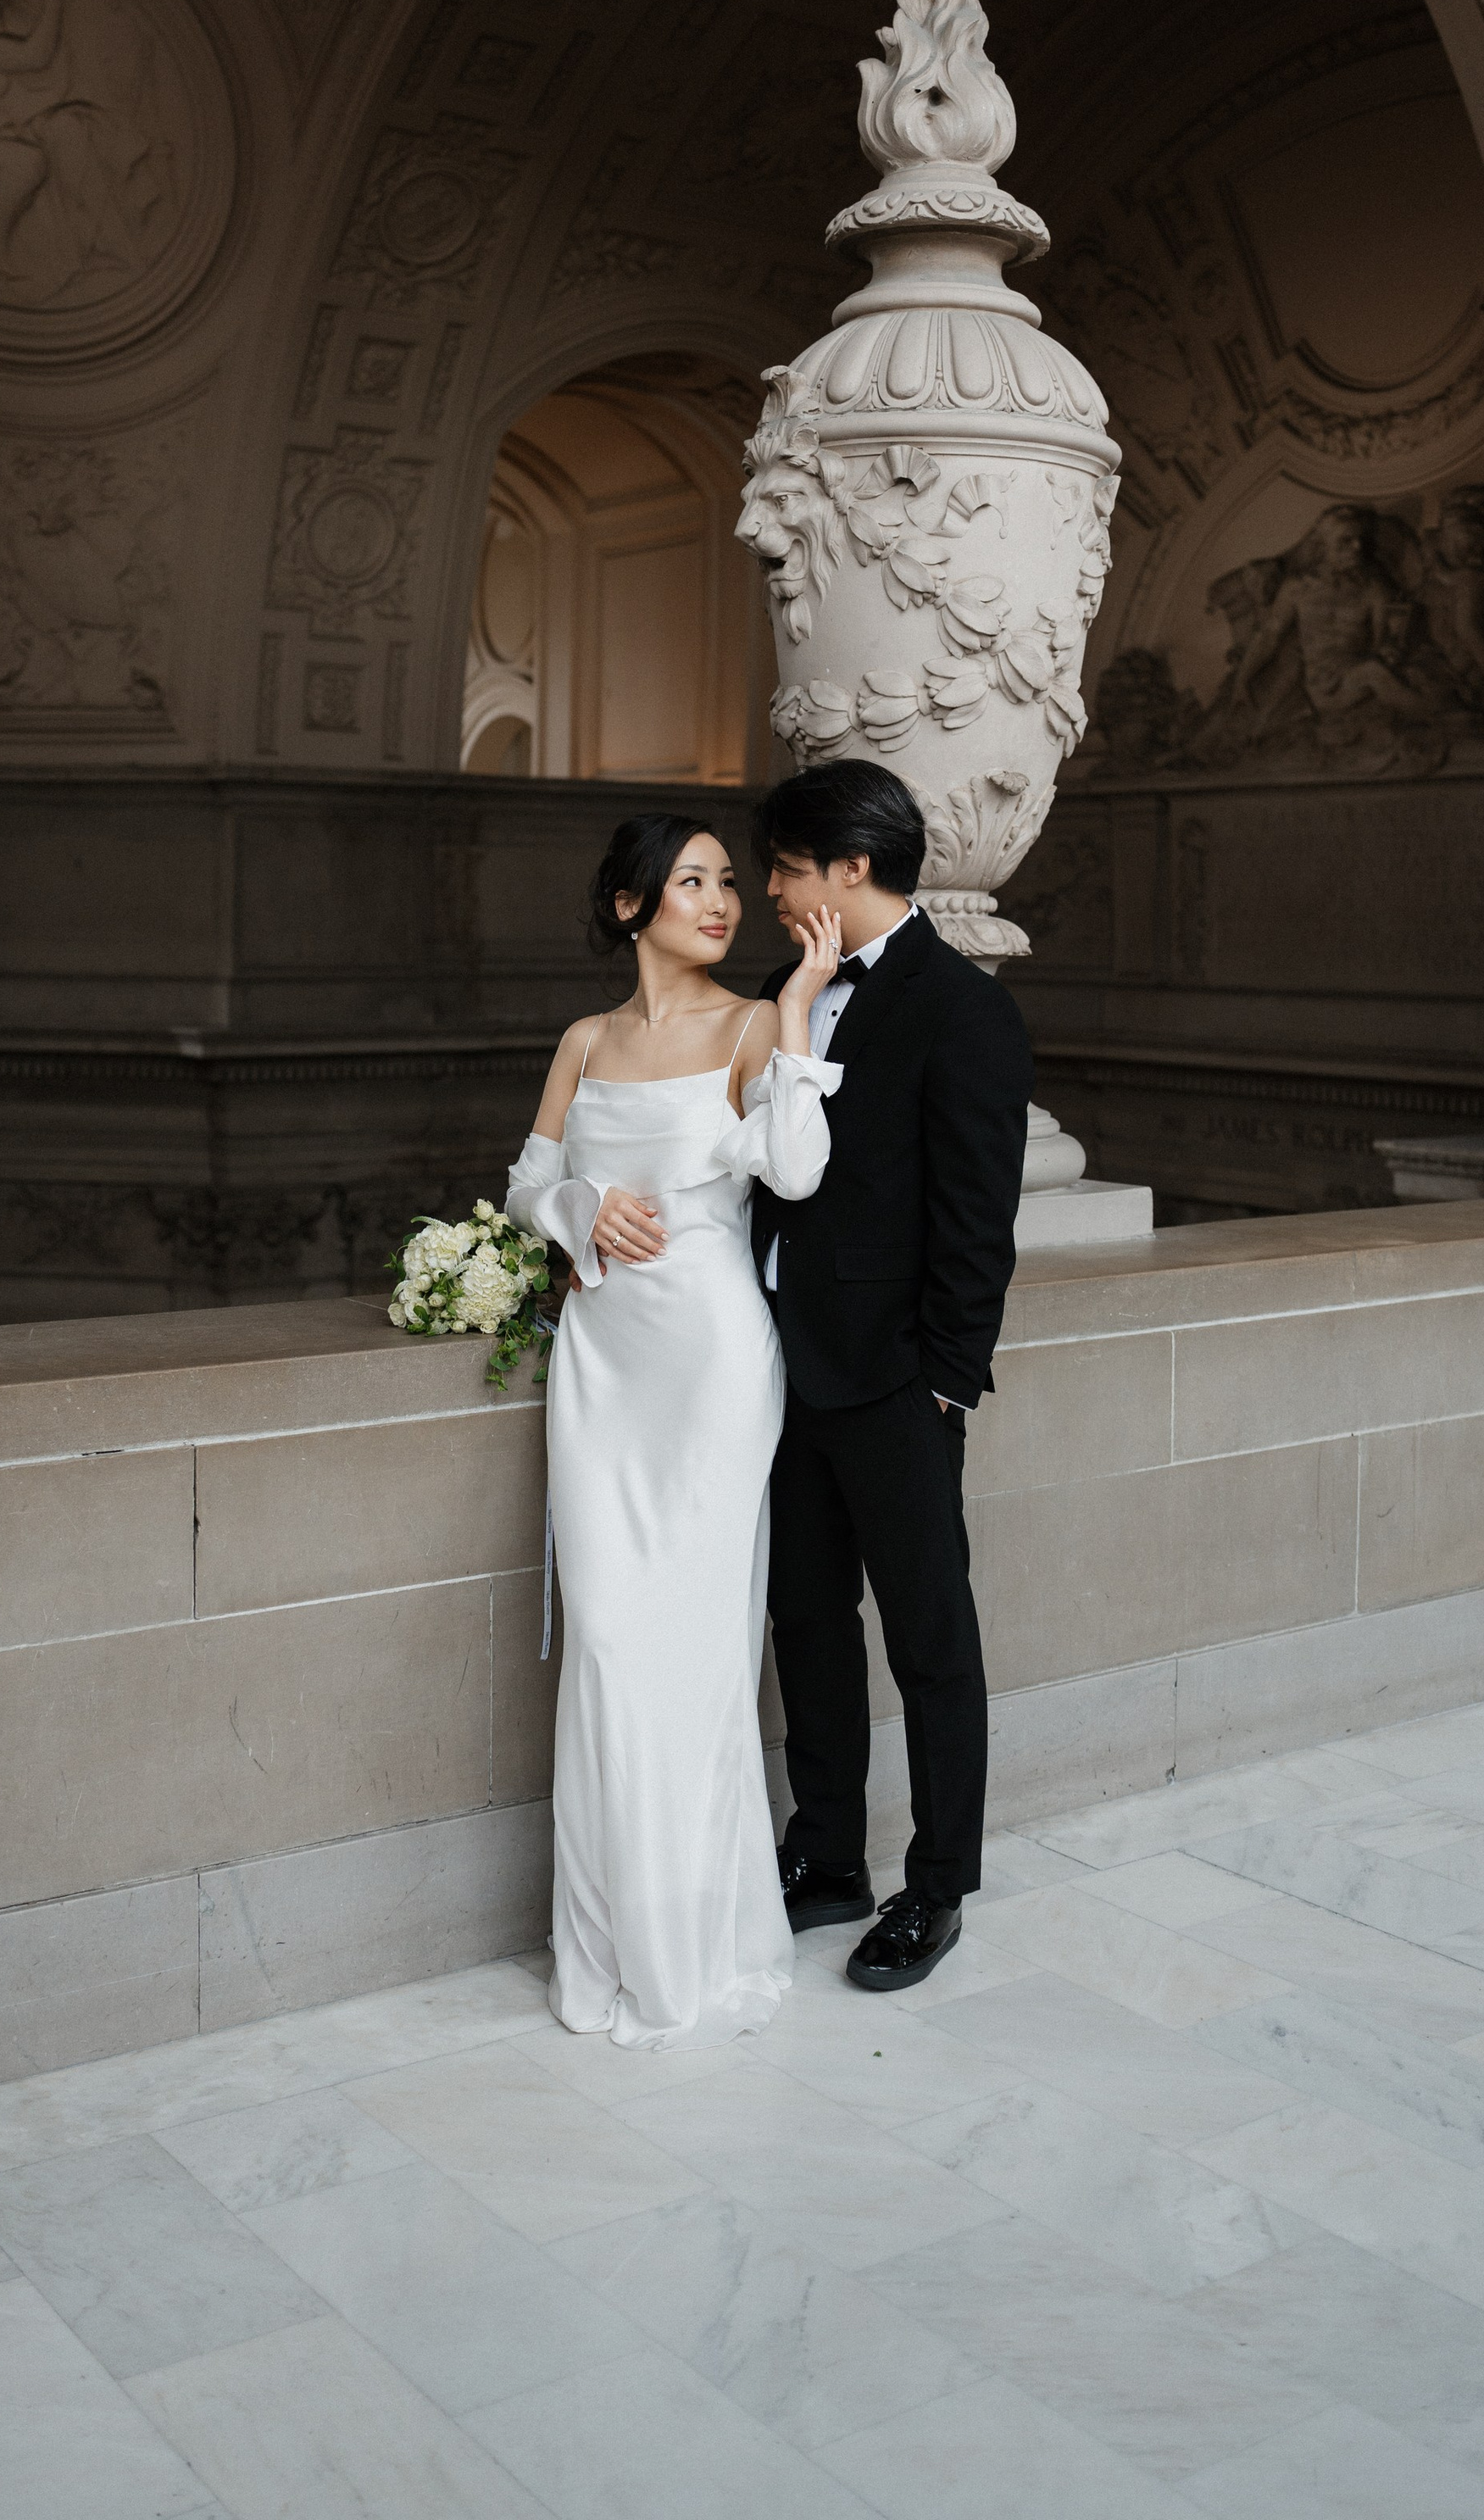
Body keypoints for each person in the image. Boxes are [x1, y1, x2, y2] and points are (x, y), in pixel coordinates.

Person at [505, 814, 843, 2050]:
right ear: (628, 906)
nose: (722, 901)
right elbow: (526, 1188)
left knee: (694, 1650)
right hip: (602, 1366)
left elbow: (796, 1170)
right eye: (691, 881)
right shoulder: (585, 1042)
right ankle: (607, 1942)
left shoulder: (754, 1026)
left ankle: (693, 1939)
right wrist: (583, 1207)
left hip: (710, 1365)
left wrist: (798, 1010)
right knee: (604, 1639)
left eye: (727, 882)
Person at [751, 759, 1031, 1992]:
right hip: (778, 1374)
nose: (769, 891)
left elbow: (977, 1222)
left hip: (896, 1383)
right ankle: (826, 1858)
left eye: (785, 868)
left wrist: (945, 1383)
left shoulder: (962, 1009)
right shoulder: (787, 993)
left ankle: (937, 1886)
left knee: (929, 1640)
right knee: (806, 1622)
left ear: (851, 867)